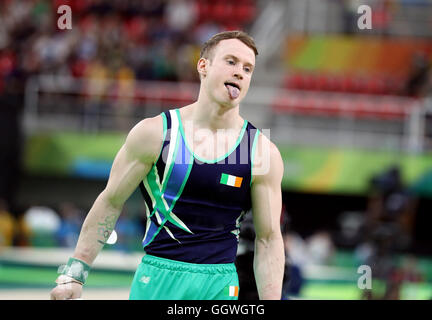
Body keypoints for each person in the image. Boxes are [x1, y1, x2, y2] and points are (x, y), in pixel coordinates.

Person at [50, 30, 285, 300]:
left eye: (248, 68)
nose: (240, 73)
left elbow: (268, 239)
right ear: (203, 66)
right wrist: (74, 274)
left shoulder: (260, 152)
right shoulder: (156, 134)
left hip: (220, 285)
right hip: (159, 279)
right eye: (230, 62)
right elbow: (111, 201)